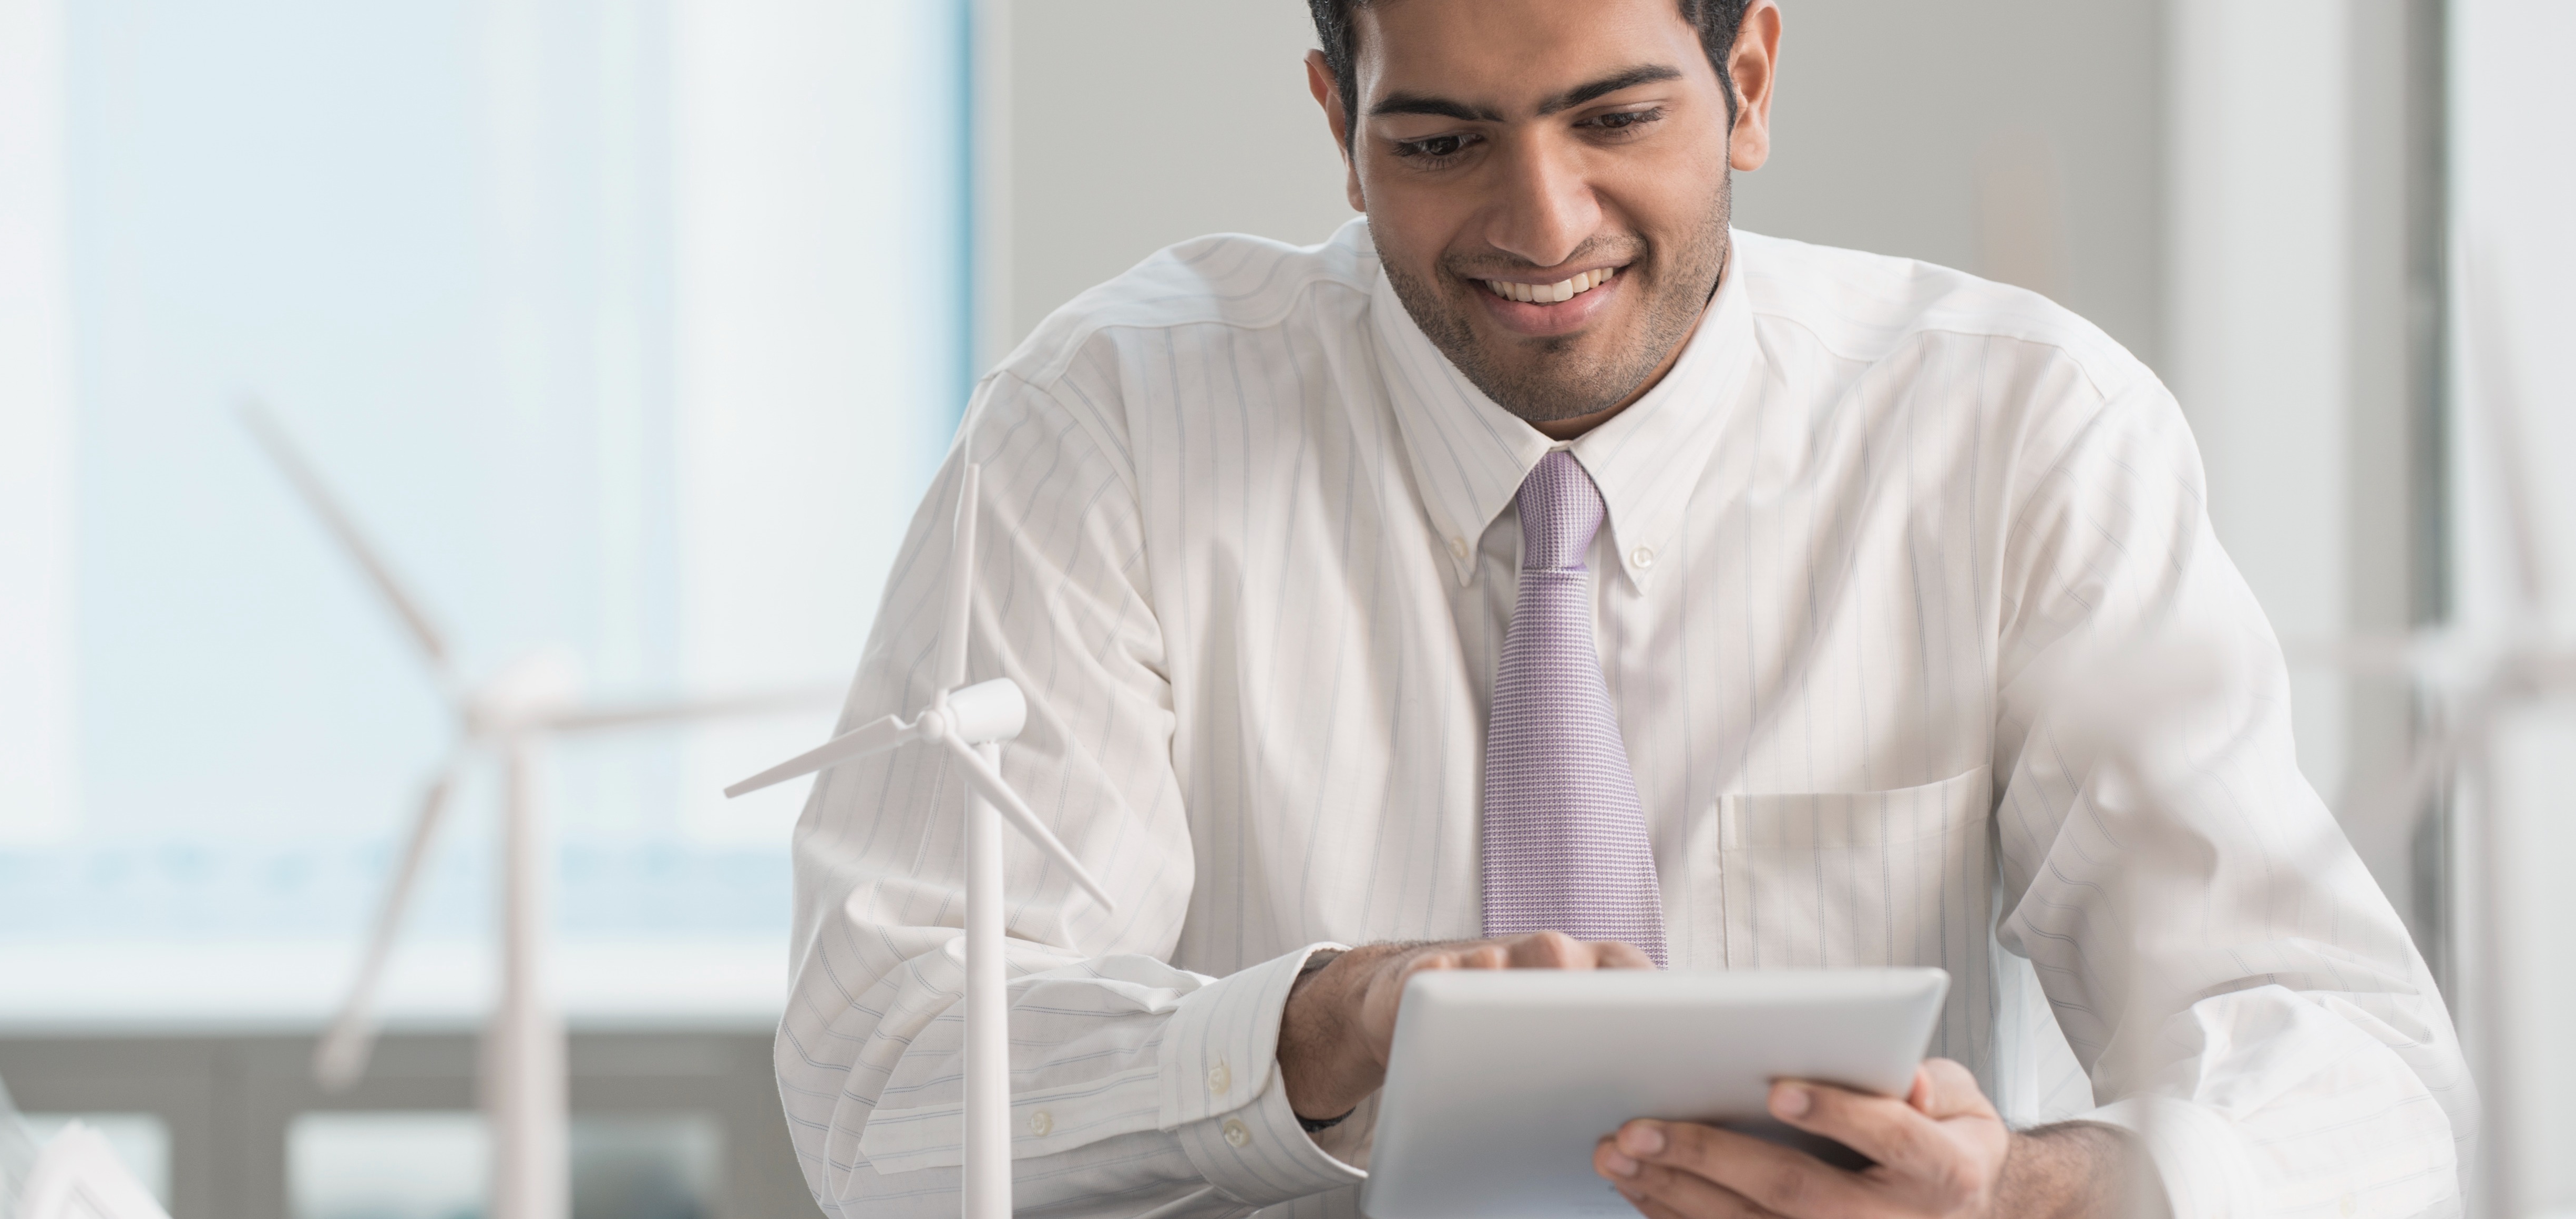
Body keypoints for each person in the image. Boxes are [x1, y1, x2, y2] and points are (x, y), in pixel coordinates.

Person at [775, 1, 2472, 1215]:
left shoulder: (2017, 433)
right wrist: (1320, 1026)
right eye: (1438, 140)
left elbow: (2363, 1087)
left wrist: (2029, 1194)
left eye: (1613, 118)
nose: (1539, 223)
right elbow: (886, 1086)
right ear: (1334, 123)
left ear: (1745, 81)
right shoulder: (1110, 426)